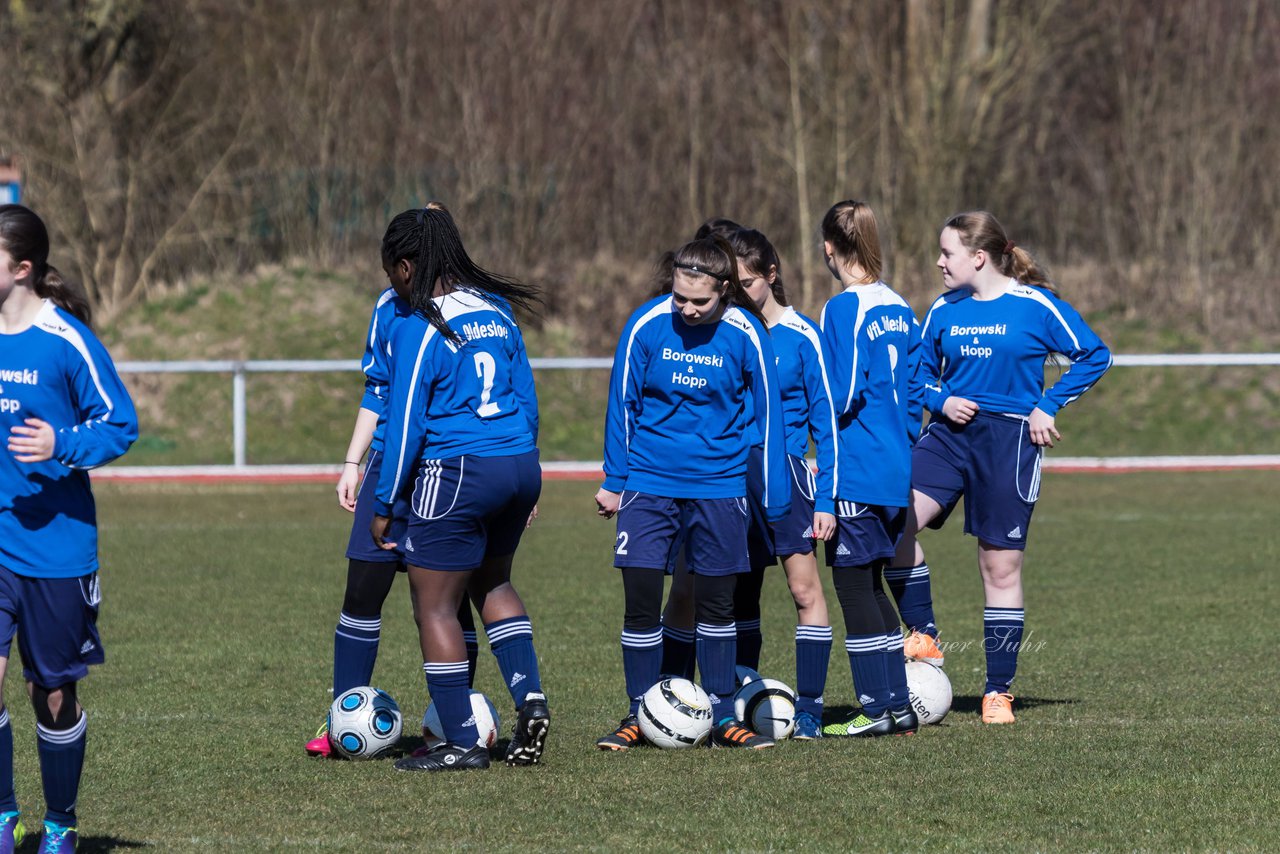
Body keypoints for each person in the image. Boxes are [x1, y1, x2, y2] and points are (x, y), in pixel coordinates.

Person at [887, 210, 1111, 724]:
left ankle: (997, 691)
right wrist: (941, 401)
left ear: (978, 257)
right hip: (947, 439)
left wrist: (1047, 406)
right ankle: (925, 635)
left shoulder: (1034, 306)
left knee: (999, 566)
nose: (939, 262)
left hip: (1009, 445)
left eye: (947, 253)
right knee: (892, 521)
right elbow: (916, 377)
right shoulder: (942, 309)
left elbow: (1094, 355)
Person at [370, 204, 549, 771]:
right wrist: (530, 472)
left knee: (434, 608)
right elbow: (527, 397)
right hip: (517, 462)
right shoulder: (497, 312)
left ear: (404, 268)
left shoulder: (420, 325)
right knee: (493, 582)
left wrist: (384, 503)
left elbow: (404, 427)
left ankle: (463, 742)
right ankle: (531, 698)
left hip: (456, 473)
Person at [595, 236, 789, 751]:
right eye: (680, 297)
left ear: (725, 290)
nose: (686, 308)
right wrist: (615, 481)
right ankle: (639, 712)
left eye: (699, 301)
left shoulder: (748, 331)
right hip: (649, 485)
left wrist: (776, 498)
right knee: (640, 604)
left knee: (717, 607)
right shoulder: (645, 324)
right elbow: (622, 404)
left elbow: (771, 419)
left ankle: (724, 715)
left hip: (721, 489)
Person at [304, 247, 481, 758]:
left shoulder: (475, 308)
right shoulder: (389, 306)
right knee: (362, 590)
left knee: (449, 603)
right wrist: (352, 463)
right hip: (388, 465)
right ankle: (342, 716)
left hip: (448, 468)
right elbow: (377, 389)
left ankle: (452, 720)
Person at [0, 204, 138, 852]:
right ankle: (3, 814)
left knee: (50, 694)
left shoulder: (66, 339)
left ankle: (60, 822)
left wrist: (62, 440)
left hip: (56, 545)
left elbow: (120, 424)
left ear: (22, 269)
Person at [723, 226, 837, 741]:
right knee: (737, 591)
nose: (738, 292)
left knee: (803, 588)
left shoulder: (802, 336)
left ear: (771, 276)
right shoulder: (724, 333)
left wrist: (827, 498)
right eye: (731, 283)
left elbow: (826, 426)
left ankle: (810, 709)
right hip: (728, 477)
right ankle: (741, 699)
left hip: (786, 476)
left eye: (747, 282)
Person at [816, 200, 923, 737]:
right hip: (894, 468)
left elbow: (841, 390)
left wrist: (814, 423)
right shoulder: (901, 307)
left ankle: (875, 708)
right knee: (875, 584)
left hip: (856, 466)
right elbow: (914, 392)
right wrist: (899, 445)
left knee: (853, 586)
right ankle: (899, 705)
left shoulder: (843, 308)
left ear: (830, 249)